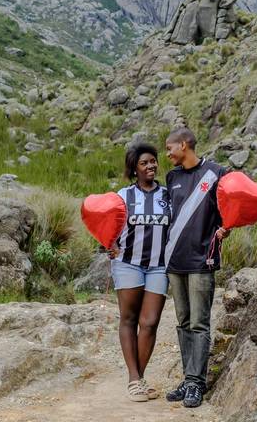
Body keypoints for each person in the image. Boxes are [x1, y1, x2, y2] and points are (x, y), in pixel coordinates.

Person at [163, 126, 228, 409]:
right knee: (183, 322)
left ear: (185, 145)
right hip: (174, 261)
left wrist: (227, 229)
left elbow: (230, 210)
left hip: (202, 260)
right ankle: (188, 378)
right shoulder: (172, 177)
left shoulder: (216, 173)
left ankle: (196, 383)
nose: (167, 154)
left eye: (170, 148)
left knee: (200, 323)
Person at [106, 142, 170, 402]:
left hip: (159, 265)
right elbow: (107, 222)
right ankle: (135, 379)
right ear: (134, 169)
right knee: (129, 319)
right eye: (144, 163)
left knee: (150, 322)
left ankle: (138, 379)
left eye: (153, 161)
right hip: (128, 263)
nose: (150, 166)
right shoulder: (123, 196)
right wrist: (108, 244)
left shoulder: (168, 195)